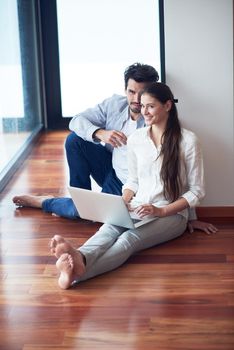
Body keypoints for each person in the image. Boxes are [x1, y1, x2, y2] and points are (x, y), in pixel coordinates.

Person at [12, 63, 217, 234]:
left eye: (142, 93)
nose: (136, 100)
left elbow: (177, 172)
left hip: (128, 184)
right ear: (124, 90)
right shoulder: (113, 105)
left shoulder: (157, 119)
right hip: (108, 166)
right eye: (131, 92)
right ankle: (79, 197)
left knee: (90, 214)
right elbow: (76, 121)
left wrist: (189, 217)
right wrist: (99, 133)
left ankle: (47, 202)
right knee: (74, 140)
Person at [50, 82, 207, 289]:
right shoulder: (136, 139)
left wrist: (161, 211)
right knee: (108, 229)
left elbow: (197, 190)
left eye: (150, 106)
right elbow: (133, 181)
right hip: (138, 205)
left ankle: (79, 273)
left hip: (171, 215)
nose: (145, 112)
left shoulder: (188, 141)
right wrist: (123, 202)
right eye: (142, 106)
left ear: (167, 105)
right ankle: (79, 257)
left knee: (128, 240)